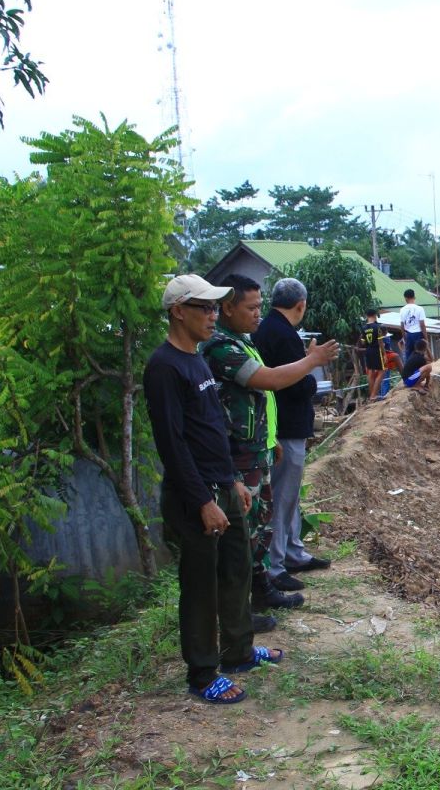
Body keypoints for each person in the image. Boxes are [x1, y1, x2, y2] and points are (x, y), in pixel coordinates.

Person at [143, 274, 283, 705]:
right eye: (202, 308)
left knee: (236, 569)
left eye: (213, 307)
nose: (211, 315)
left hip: (223, 485)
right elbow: (174, 443)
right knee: (201, 585)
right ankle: (203, 673)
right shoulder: (164, 367)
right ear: (177, 311)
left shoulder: (197, 360)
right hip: (196, 495)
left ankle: (238, 652)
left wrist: (233, 481)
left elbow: (213, 429)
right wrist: (204, 500)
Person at [202, 274, 338, 629]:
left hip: (261, 443)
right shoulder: (222, 347)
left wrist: (269, 437)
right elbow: (271, 380)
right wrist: (312, 362)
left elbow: (257, 398)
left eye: (260, 306)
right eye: (251, 307)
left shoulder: (245, 339)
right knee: (247, 528)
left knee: (261, 520)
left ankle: (262, 586)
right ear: (227, 307)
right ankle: (244, 605)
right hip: (242, 454)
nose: (257, 313)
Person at [252, 278, 333, 595]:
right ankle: (276, 565)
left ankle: (293, 552)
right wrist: (313, 378)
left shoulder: (269, 330)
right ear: (300, 305)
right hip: (285, 428)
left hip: (282, 426)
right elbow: (296, 383)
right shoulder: (283, 335)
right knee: (282, 497)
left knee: (289, 497)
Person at [356, 308, 386, 401]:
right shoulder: (378, 327)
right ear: (374, 315)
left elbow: (363, 342)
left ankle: (371, 395)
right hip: (376, 350)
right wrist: (384, 354)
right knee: (382, 371)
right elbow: (380, 342)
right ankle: (374, 395)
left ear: (366, 316)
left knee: (370, 372)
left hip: (368, 350)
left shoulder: (363, 328)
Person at [399, 288, 427, 361]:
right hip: (418, 334)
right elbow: (422, 325)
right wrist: (426, 337)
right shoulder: (420, 309)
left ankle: (410, 371)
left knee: (408, 355)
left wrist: (404, 337)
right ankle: (419, 371)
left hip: (408, 335)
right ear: (414, 297)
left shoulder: (402, 310)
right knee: (420, 354)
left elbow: (402, 325)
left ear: (405, 298)